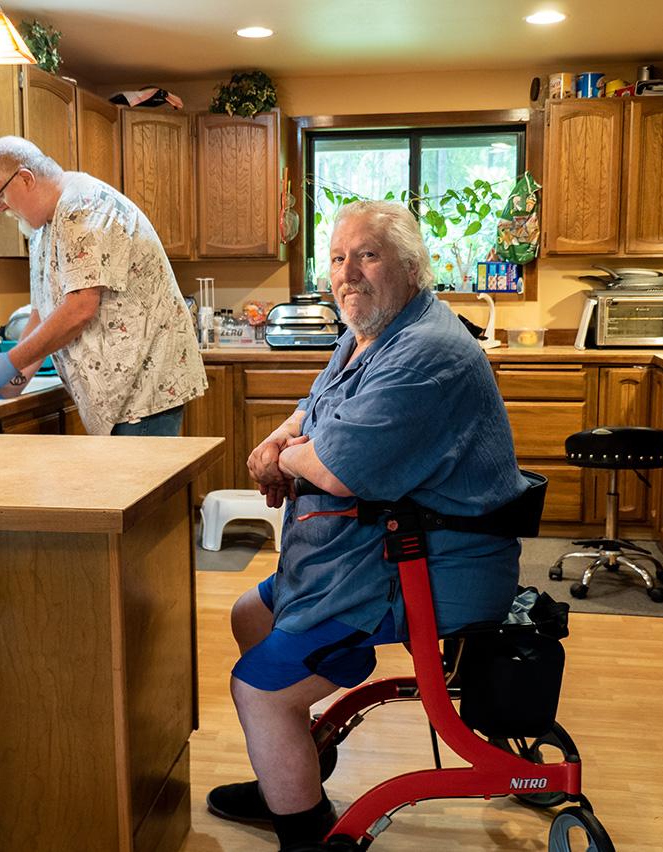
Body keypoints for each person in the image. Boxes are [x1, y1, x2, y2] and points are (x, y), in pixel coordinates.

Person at [206, 201, 531, 851]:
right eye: (336, 258)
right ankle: (292, 768)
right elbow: (312, 409)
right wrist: (278, 443)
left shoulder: (426, 350)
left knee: (259, 692)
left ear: (412, 268)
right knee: (249, 614)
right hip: (378, 550)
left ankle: (305, 831)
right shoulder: (369, 334)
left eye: (367, 255)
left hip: (430, 564)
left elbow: (336, 469)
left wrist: (287, 458)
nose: (347, 272)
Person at [0, 136, 206, 436]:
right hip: (115, 397)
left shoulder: (84, 206)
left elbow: (80, 308)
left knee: (136, 485)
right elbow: (41, 317)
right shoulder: (41, 231)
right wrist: (5, 391)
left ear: (26, 179)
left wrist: (11, 360)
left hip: (144, 392)